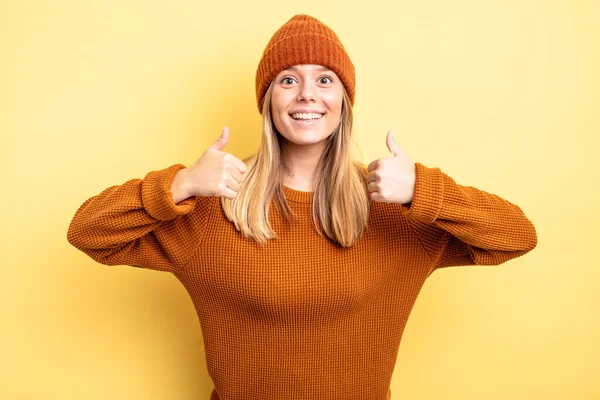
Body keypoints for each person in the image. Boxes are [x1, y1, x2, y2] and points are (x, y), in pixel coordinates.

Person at [67, 14, 537, 400]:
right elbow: (88, 231)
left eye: (325, 80)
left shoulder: (395, 213)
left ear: (343, 102)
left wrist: (424, 190)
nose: (307, 94)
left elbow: (517, 235)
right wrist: (183, 183)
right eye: (288, 80)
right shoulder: (212, 210)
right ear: (268, 101)